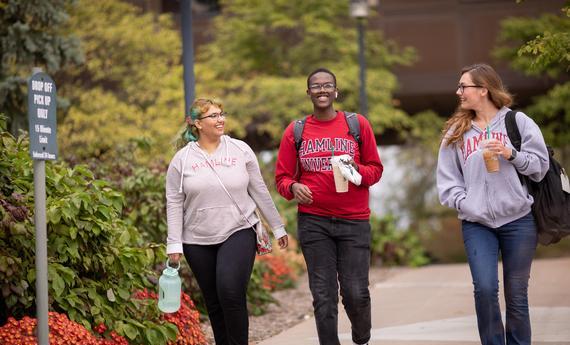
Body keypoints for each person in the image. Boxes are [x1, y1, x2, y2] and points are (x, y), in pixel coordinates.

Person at [436, 63, 549, 345]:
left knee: (516, 293)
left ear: (483, 89)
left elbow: (540, 168)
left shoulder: (518, 123)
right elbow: (447, 182)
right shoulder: (455, 132)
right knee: (485, 289)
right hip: (477, 224)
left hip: (519, 220)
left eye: (464, 86)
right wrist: (467, 203)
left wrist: (512, 154)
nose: (458, 91)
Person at [165, 98, 289, 345]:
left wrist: (277, 226)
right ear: (197, 124)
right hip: (196, 239)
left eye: (222, 114)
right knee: (213, 300)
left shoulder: (240, 149)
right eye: (213, 116)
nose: (220, 119)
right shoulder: (182, 159)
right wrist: (174, 244)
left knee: (230, 291)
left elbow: (259, 189)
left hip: (238, 229)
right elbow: (174, 202)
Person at [275, 68, 383, 345]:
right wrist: (293, 187)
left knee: (356, 293)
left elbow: (376, 170)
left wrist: (354, 169)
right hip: (314, 222)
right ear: (308, 92)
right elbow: (282, 178)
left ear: (336, 91)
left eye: (327, 85)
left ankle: (362, 336)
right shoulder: (296, 130)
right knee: (323, 295)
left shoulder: (357, 125)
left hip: (354, 221)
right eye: (316, 86)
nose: (322, 90)